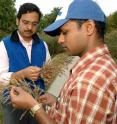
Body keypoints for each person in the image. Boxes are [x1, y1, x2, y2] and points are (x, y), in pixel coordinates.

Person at [10, 0, 117, 124]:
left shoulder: (89, 82)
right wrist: (57, 103)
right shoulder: (96, 65)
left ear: (89, 28)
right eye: (60, 34)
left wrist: (33, 106)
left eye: (65, 32)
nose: (60, 40)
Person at [0, 3, 51, 124]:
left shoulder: (43, 45)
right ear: (17, 21)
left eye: (34, 24)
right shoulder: (4, 45)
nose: (30, 27)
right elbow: (0, 78)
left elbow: (49, 70)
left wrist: (46, 74)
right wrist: (22, 74)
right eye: (25, 22)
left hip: (38, 101)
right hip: (13, 103)